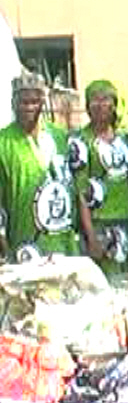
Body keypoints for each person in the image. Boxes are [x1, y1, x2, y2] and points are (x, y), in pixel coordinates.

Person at [0, 71, 78, 263]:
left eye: (34, 101)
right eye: (23, 102)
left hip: (62, 241)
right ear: (13, 104)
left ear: (43, 103)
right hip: (23, 243)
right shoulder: (3, 142)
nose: (29, 107)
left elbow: (74, 187)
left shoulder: (59, 137)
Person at [69, 80, 128, 275]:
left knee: (124, 286)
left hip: (124, 223)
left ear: (114, 104)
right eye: (93, 100)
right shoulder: (80, 141)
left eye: (105, 99)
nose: (99, 105)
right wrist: (91, 237)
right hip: (97, 225)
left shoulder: (126, 139)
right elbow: (80, 192)